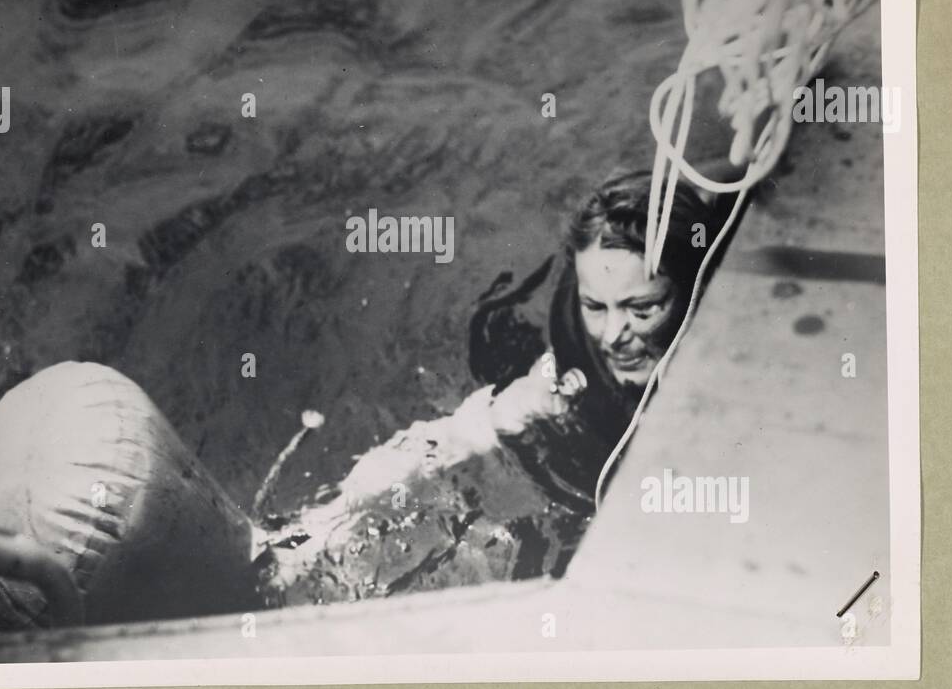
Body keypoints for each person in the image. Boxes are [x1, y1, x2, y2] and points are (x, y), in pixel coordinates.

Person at [270, 170, 725, 597]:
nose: (612, 336)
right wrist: (311, 532)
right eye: (594, 306)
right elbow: (444, 439)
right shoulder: (564, 380)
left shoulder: (725, 326)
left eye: (642, 309)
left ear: (696, 287)